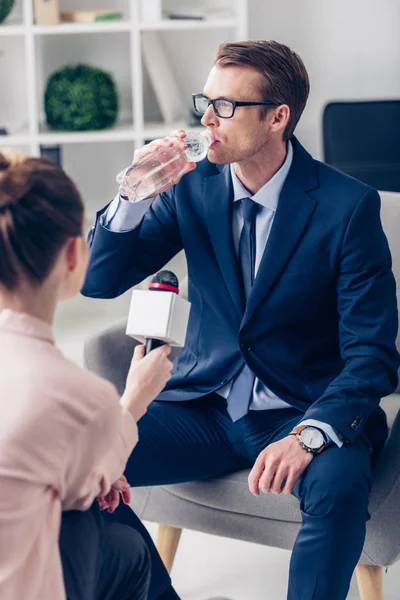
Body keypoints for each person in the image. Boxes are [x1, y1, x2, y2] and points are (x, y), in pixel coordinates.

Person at [82, 40, 400, 600]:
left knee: (341, 486)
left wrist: (309, 435)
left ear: (278, 117)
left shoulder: (348, 208)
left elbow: (372, 356)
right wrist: (132, 193)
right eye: (205, 101)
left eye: (226, 106)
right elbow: (98, 281)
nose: (208, 119)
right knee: (78, 471)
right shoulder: (191, 187)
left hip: (300, 407)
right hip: (200, 404)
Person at [0, 152, 181, 600]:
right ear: (73, 254)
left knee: (114, 538)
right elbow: (83, 489)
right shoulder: (77, 396)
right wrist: (134, 398)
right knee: (113, 535)